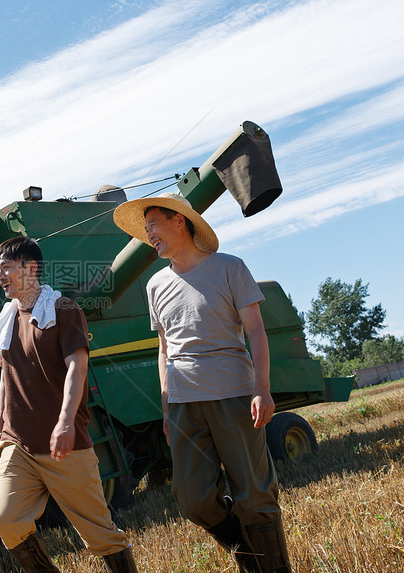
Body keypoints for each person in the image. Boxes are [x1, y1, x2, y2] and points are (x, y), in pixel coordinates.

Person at [113, 193, 291, 573]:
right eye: (146, 231)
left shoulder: (229, 268)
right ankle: (249, 553)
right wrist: (166, 407)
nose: (150, 235)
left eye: (154, 225)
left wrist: (262, 388)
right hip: (181, 403)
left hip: (234, 394)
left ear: (180, 221)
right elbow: (164, 350)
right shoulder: (155, 285)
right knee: (192, 499)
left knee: (254, 494)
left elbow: (256, 331)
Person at [0, 236, 138, 573]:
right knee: (5, 521)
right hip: (18, 443)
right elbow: (5, 378)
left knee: (101, 535)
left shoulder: (64, 310)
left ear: (31, 267)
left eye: (6, 268)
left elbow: (77, 367)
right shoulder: (5, 320)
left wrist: (66, 421)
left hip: (63, 448)